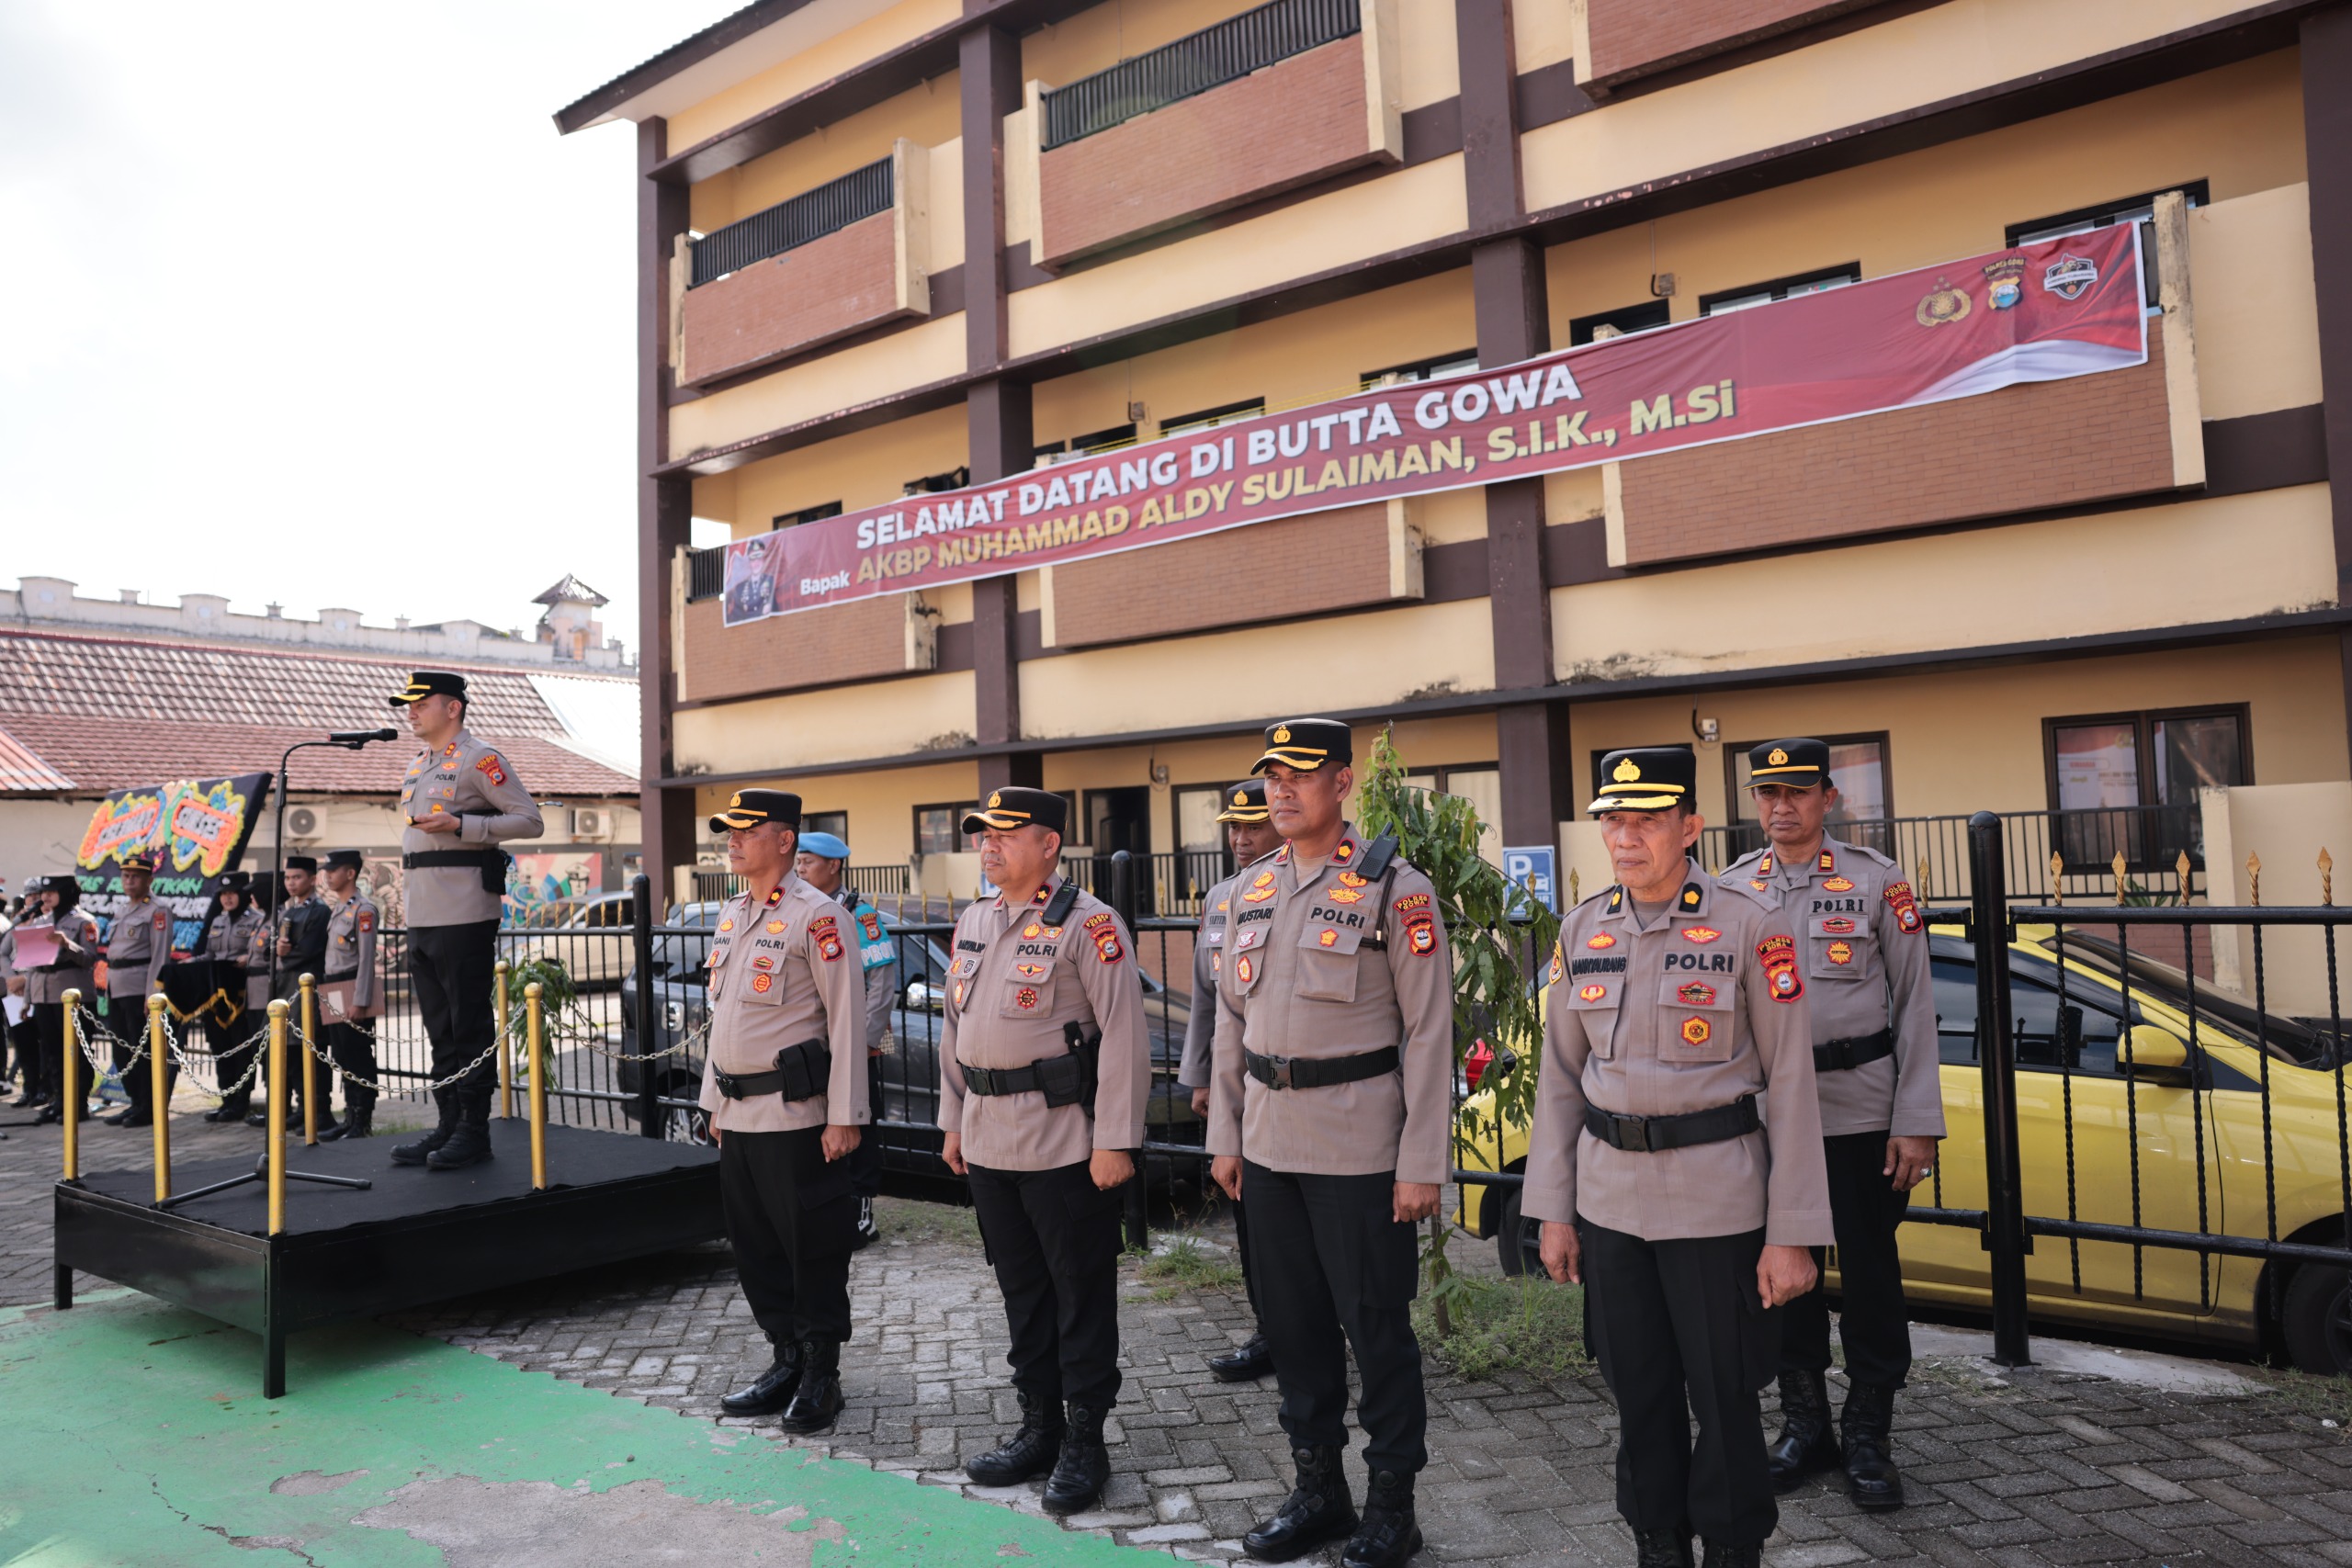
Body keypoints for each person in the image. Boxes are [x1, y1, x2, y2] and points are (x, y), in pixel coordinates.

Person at [1525, 746, 1834, 1568]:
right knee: (1639, 1397)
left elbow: (1793, 1085)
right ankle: (1657, 1545)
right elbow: (1560, 1081)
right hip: (1611, 1208)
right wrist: (1552, 1211)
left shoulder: (1751, 925)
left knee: (1727, 1401)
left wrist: (1792, 1232)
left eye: (1647, 820)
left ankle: (1732, 1549)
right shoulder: (1581, 930)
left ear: (1690, 826)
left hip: (1716, 1206)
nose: (1625, 837)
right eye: (1613, 820)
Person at [1207, 719, 1453, 1568]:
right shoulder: (1251, 887)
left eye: (1299, 775)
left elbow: (1430, 1032)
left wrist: (1422, 1162)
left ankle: (1392, 1507)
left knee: (1376, 1333)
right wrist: (1226, 1134)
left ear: (1342, 783)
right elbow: (1231, 1024)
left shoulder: (1395, 888)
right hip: (1269, 1146)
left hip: (1359, 1151)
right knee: (1295, 1330)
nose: (1280, 790)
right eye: (1271, 776)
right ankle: (1319, 1490)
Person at [1720, 739, 1943, 1512]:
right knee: (1785, 1274)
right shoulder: (1732, 889)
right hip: (1773, 1120)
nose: (1781, 806)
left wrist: (1916, 1119)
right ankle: (1806, 1424)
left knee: (1872, 1276)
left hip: (1859, 1110)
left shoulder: (1877, 880)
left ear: (1828, 797)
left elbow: (1915, 1004)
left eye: (1797, 791)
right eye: (1768, 792)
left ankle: (1869, 1433)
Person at [941, 786, 1149, 1517]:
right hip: (989, 1138)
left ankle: (1086, 1440)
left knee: (1079, 1293)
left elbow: (1124, 1036)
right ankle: (1039, 1427)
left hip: (1064, 1142)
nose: (988, 845)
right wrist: (953, 1121)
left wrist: (1115, 1139)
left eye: (1005, 832)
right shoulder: (975, 919)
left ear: (1050, 843)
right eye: (982, 834)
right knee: (1023, 1292)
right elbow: (955, 1030)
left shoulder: (1089, 923)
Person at [700, 792, 872, 1435]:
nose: (733, 841)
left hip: (795, 1115)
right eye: (729, 831)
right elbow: (723, 1018)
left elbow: (847, 1019)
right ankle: (786, 1358)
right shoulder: (732, 913)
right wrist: (712, 1100)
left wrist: (845, 1114)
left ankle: (822, 1373)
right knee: (756, 1249)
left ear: (784, 840)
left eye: (746, 830)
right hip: (738, 1113)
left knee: (812, 1248)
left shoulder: (819, 916)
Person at [385, 670, 543, 1170]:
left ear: (453, 707)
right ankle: (449, 1124)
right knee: (440, 1027)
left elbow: (529, 819)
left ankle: (475, 1130)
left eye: (420, 703)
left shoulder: (481, 758)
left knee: (467, 1022)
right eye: (408, 705)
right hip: (423, 911)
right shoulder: (419, 763)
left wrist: (461, 824)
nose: (411, 712)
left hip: (463, 911)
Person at [1176, 777, 1285, 1383]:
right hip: (1236, 1077)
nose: (1242, 839)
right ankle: (1269, 1328)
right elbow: (1206, 995)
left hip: (1298, 1079)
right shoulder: (1222, 897)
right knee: (1249, 1213)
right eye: (1234, 828)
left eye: (1254, 826)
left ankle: (1321, 1329)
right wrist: (1200, 1076)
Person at [795, 828, 897, 1247]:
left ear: (833, 865)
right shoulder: (802, 909)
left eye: (808, 862)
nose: (800, 869)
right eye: (798, 862)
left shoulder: (860, 914)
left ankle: (861, 1213)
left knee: (860, 1125)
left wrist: (865, 1042)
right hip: (817, 1043)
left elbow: (882, 982)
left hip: (857, 1043)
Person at [251, 855, 330, 1130]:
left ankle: (317, 1111)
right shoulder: (288, 911)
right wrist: (277, 950)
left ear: (312, 879)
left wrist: (283, 953)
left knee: (308, 1051)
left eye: (297, 877)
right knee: (287, 1051)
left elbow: (310, 950)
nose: (291, 883)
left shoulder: (319, 911)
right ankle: (298, 1108)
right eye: (287, 878)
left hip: (306, 990)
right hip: (284, 988)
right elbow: (267, 950)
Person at [101, 852, 177, 1128]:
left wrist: (152, 994)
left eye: (136, 876)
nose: (129, 881)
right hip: (117, 986)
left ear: (149, 880)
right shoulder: (122, 909)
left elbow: (160, 955)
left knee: (141, 1050)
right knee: (122, 1050)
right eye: (125, 876)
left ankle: (148, 1106)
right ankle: (134, 1102)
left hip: (138, 988)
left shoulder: (157, 910)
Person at [316, 851, 382, 1141]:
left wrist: (360, 1000)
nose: (328, 875)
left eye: (334, 870)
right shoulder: (339, 908)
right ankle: (350, 1117)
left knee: (358, 1054)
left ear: (351, 873)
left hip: (352, 986)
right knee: (342, 1054)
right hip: (333, 986)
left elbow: (367, 959)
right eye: (327, 870)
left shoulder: (364, 910)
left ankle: (362, 1119)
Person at [28, 876, 100, 1124]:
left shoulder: (85, 921)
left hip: (73, 995)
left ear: (67, 893)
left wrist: (66, 943)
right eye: (44, 892)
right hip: (43, 993)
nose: (46, 897)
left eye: (52, 891)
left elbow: (90, 958)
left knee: (76, 1051)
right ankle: (60, 1101)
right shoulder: (40, 922)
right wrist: (28, 999)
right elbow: (31, 965)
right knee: (52, 1051)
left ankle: (78, 1105)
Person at [198, 873, 268, 1123]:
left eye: (232, 893)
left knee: (241, 1048)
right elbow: (209, 955)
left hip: (241, 997)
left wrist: (248, 959)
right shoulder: (218, 920)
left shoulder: (258, 920)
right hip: (217, 997)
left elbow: (259, 954)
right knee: (220, 1048)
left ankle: (241, 1101)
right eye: (223, 894)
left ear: (243, 894)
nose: (227, 898)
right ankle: (226, 1099)